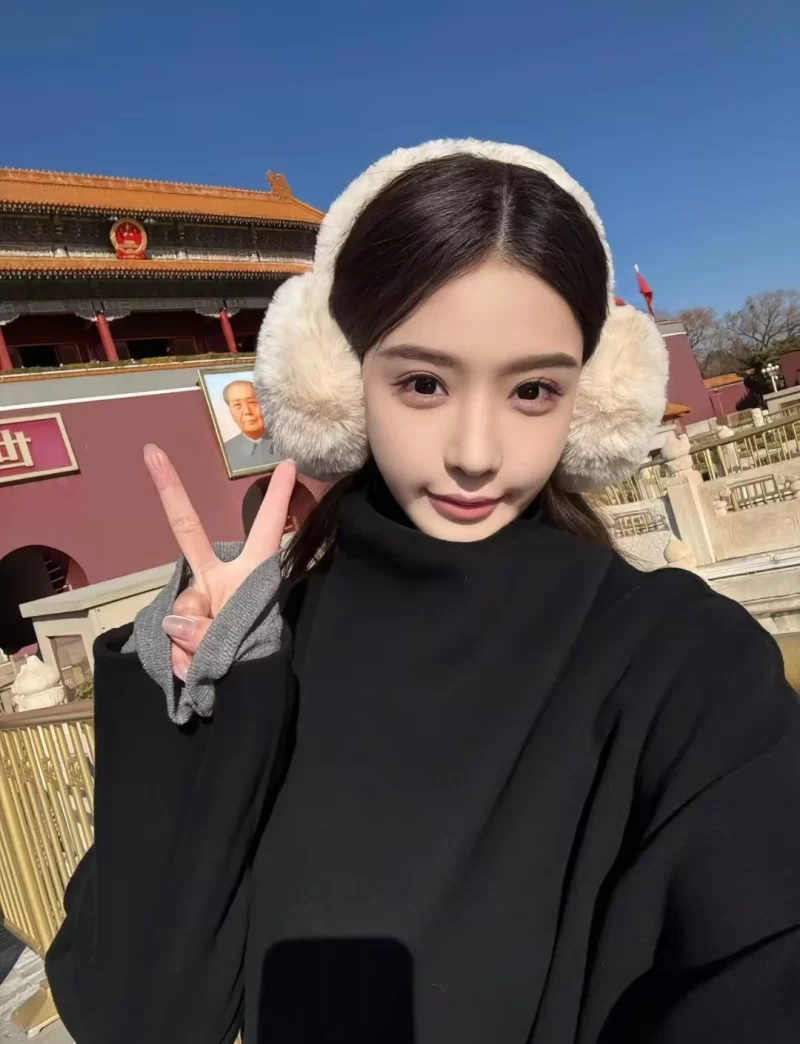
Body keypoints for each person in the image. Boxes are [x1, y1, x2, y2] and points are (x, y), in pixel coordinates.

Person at [46, 140, 800, 1043]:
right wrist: (205, 706)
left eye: (533, 390)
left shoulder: (683, 661)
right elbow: (138, 1018)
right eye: (423, 382)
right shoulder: (265, 659)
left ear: (595, 399)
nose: (476, 454)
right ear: (337, 382)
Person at [221, 379, 276, 473]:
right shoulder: (225, 452)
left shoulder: (290, 444)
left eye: (253, 402)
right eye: (237, 405)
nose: (247, 411)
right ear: (230, 410)